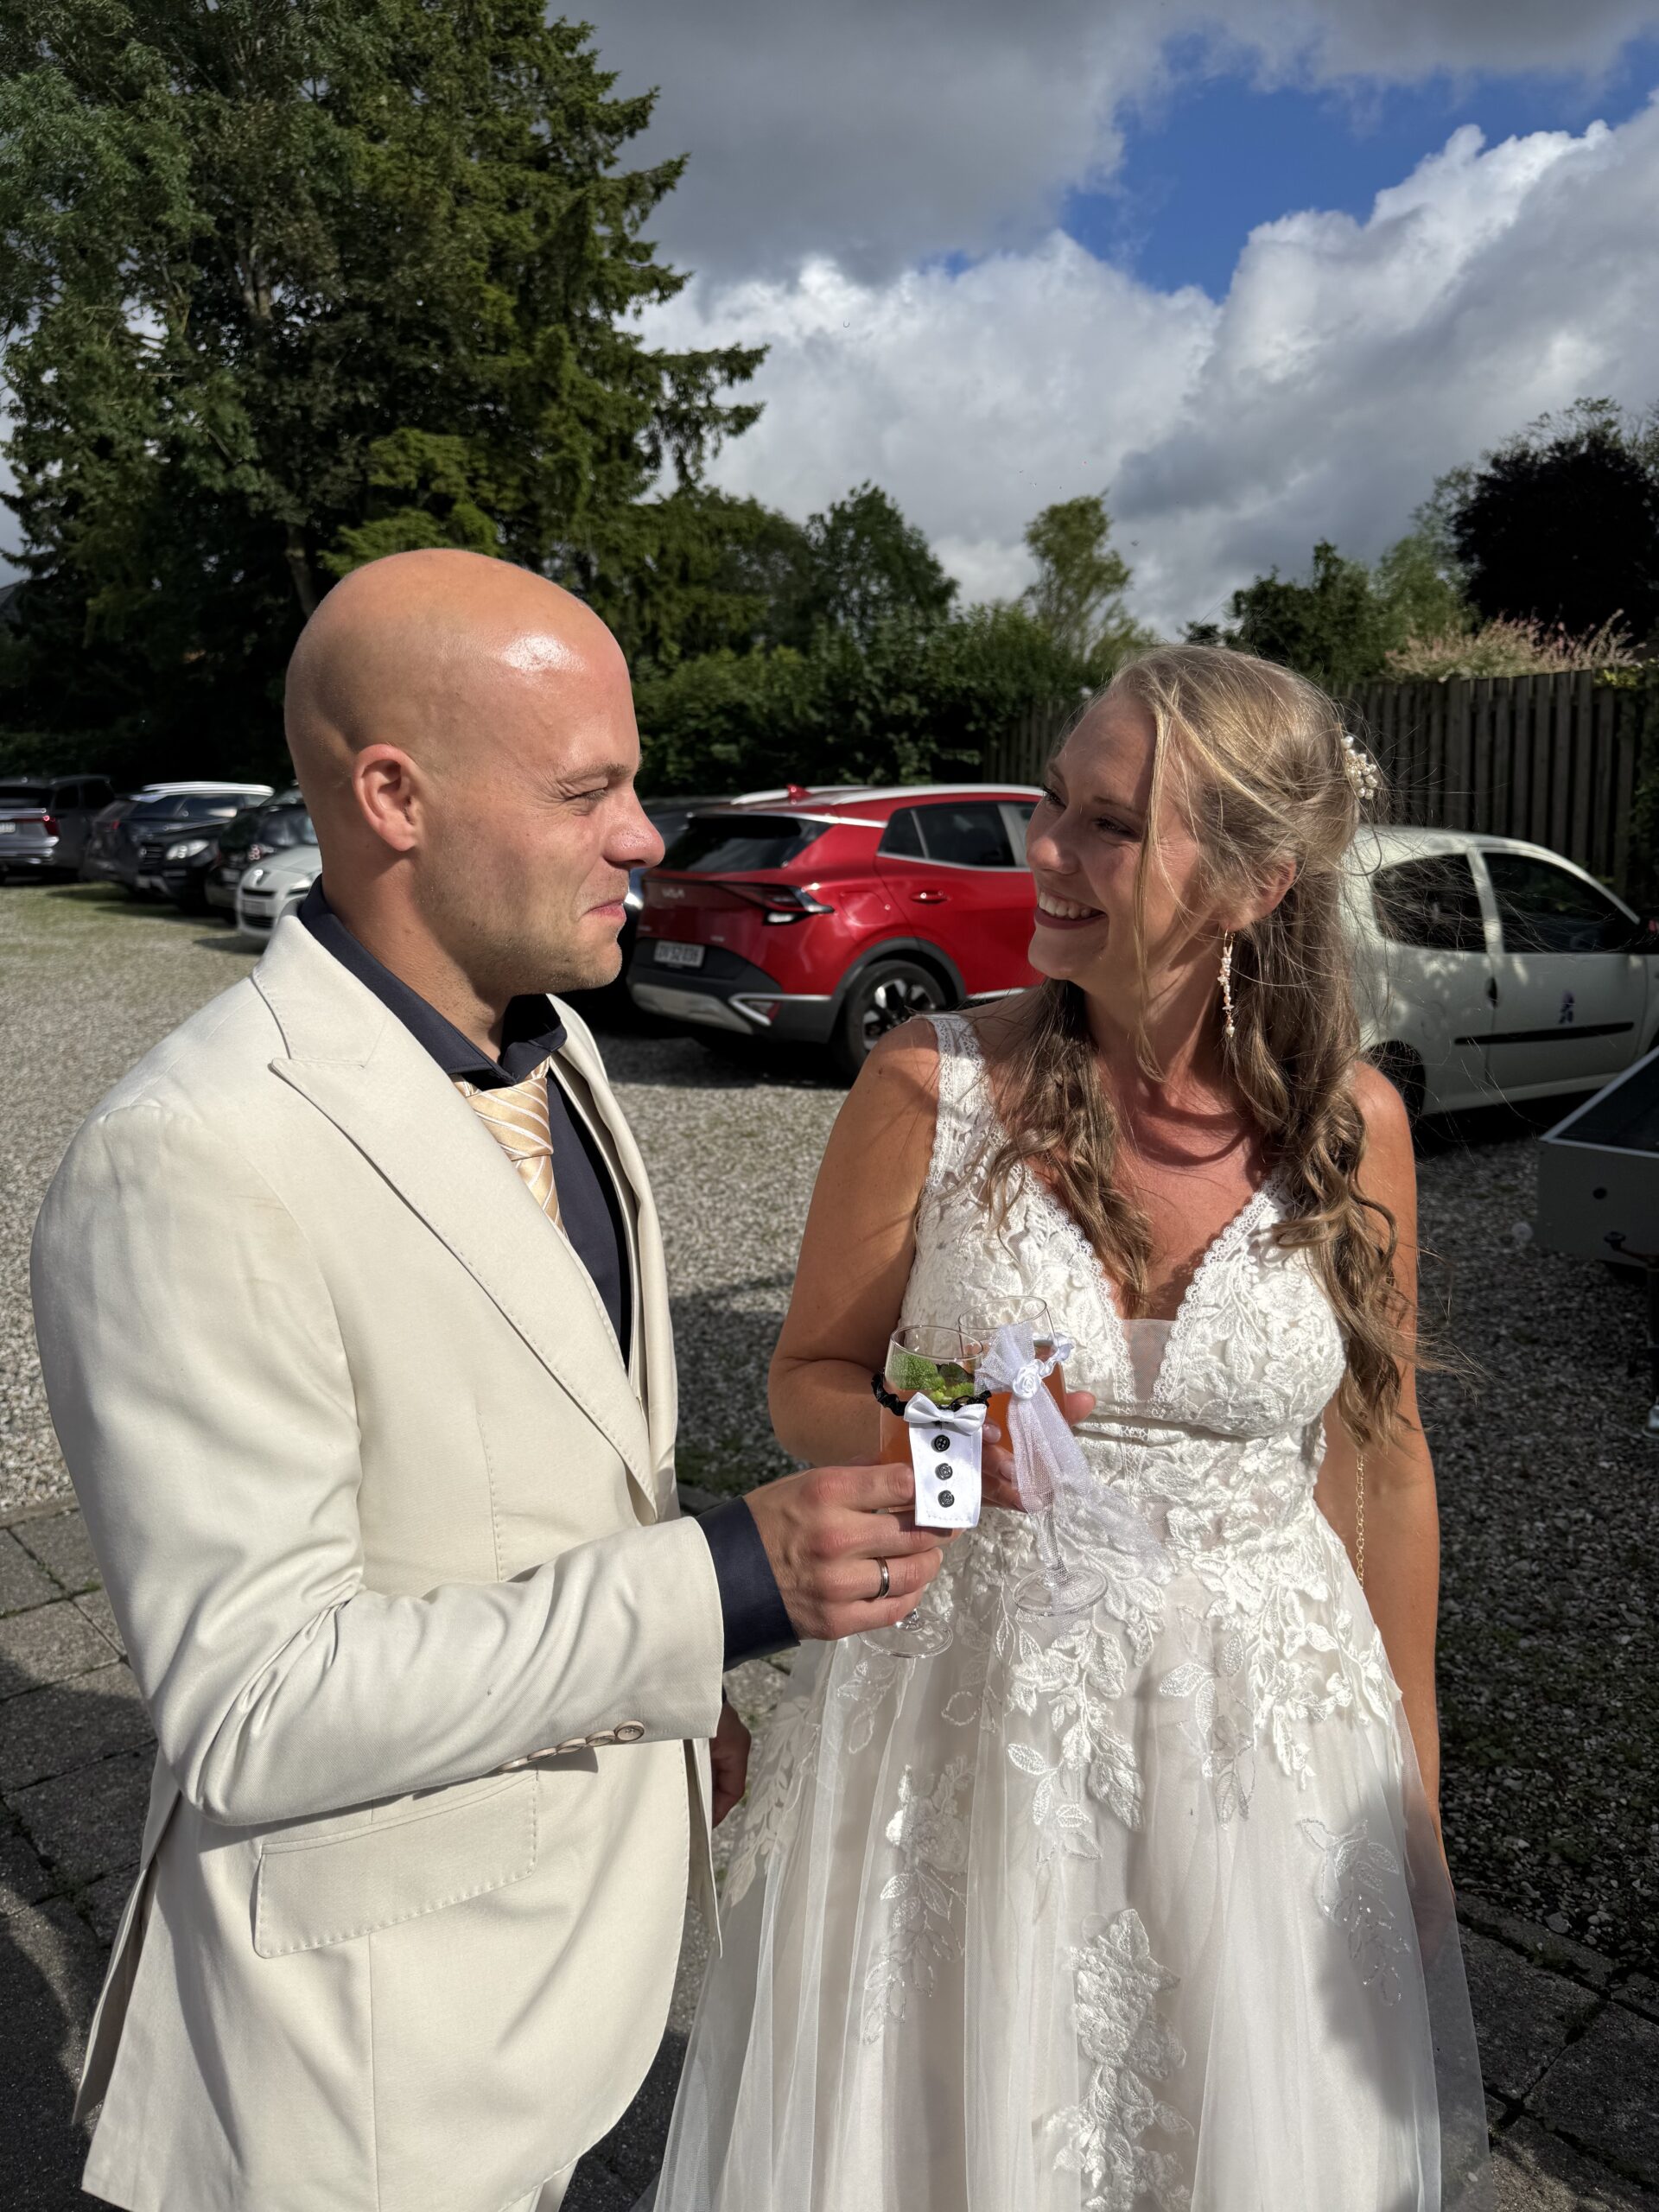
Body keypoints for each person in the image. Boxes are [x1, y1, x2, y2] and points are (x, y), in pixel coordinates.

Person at [29, 550, 954, 2212]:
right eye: (588, 791)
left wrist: (683, 1699)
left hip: (556, 1989)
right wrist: (720, 1586)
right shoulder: (190, 1154)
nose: (647, 836)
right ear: (394, 797)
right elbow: (254, 1707)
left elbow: (566, 1455)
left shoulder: (558, 1044)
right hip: (369, 2072)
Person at [654, 644, 1491, 2209]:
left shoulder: (1351, 1128)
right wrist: (946, 1435)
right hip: (966, 1724)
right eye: (1053, 802)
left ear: (1252, 885)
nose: (1043, 848)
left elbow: (1383, 1466)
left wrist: (1416, 1790)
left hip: (1263, 1743)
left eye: (1108, 824)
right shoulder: (931, 1082)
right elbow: (810, 1374)